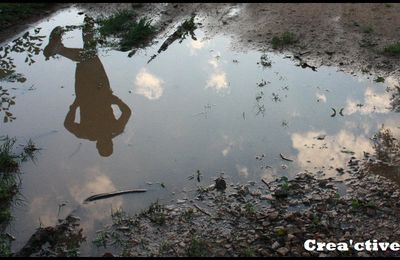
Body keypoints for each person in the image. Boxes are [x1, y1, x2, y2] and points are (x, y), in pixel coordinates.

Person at [43, 16, 131, 157]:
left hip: (100, 90)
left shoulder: (114, 129)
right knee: (89, 55)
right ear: (98, 145)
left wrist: (114, 100)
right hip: (85, 93)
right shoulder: (89, 134)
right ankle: (87, 27)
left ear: (107, 143)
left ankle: (60, 48)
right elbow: (68, 124)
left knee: (89, 56)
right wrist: (75, 105)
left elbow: (127, 111)